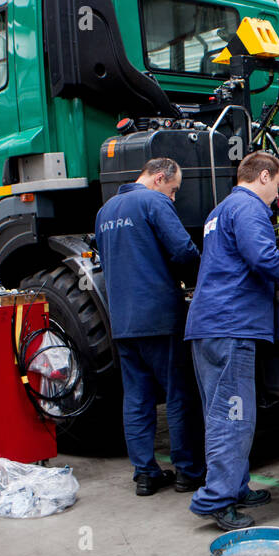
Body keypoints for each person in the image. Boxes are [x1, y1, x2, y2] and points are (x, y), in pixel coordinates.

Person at [184, 151, 279, 530]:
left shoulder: (220, 210)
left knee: (224, 414)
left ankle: (235, 487)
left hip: (210, 325)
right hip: (230, 327)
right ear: (264, 176)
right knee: (232, 418)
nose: (278, 196)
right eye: (278, 186)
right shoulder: (250, 208)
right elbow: (263, 258)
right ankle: (217, 501)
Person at [94, 157, 205, 497]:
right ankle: (187, 472)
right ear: (159, 178)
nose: (173, 198)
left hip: (123, 321)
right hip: (159, 317)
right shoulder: (154, 202)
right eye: (174, 190)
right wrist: (203, 280)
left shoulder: (106, 211)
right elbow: (183, 251)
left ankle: (145, 474)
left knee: (138, 398)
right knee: (177, 394)